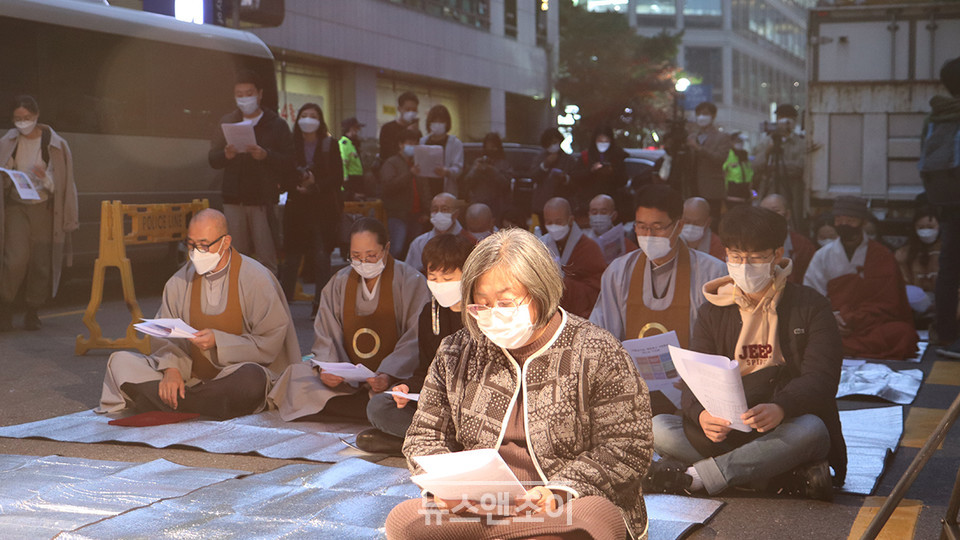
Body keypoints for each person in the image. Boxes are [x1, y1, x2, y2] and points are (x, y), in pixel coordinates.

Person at [385, 228, 652, 540]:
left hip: (562, 505)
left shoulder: (596, 350)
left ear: (541, 291)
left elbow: (628, 446)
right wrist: (442, 488)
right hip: (480, 506)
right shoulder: (456, 352)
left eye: (506, 301)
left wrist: (561, 489)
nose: (492, 314)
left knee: (593, 520)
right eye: (481, 303)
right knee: (402, 521)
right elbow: (423, 436)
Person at [646, 205, 846, 501]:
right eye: (736, 257)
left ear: (777, 256)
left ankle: (699, 477)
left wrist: (781, 407)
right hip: (725, 432)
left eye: (755, 258)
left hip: (783, 425)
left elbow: (822, 379)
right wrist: (701, 416)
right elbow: (693, 376)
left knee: (812, 430)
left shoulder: (810, 306)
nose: (744, 265)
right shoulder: (713, 310)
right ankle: (771, 475)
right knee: (657, 427)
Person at [97, 209, 298, 419]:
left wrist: (218, 342)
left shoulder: (256, 279)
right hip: (190, 378)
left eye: (204, 245)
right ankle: (198, 403)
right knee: (120, 362)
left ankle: (176, 403)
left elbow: (269, 344)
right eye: (191, 245)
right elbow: (166, 339)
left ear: (225, 242)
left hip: (234, 376)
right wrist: (172, 371)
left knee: (251, 380)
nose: (196, 253)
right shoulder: (178, 281)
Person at [268, 218, 430, 421]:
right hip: (348, 379)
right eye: (356, 256)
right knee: (294, 377)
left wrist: (388, 373)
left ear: (386, 248)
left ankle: (358, 409)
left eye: (371, 256)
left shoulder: (411, 281)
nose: (363, 263)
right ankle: (367, 410)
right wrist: (327, 369)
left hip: (394, 379)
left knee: (405, 393)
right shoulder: (339, 282)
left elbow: (416, 337)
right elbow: (326, 332)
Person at [356, 233, 473, 455]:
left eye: (447, 279)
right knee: (379, 406)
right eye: (433, 277)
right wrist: (407, 388)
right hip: (439, 406)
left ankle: (420, 443)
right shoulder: (430, 314)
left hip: (473, 406)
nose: (439, 285)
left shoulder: (481, 312)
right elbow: (425, 370)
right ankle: (443, 443)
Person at [591, 185, 727, 347]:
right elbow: (601, 335)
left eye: (658, 227)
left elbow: (720, 340)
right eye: (642, 227)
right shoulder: (619, 272)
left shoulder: (711, 273)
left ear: (679, 226)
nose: (649, 235)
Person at [804, 196, 918, 360]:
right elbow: (811, 296)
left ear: (863, 222)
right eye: (839, 220)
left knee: (904, 335)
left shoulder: (881, 255)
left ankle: (843, 348)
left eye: (850, 220)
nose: (844, 225)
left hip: (872, 325)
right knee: (811, 335)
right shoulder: (822, 256)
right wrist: (832, 318)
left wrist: (857, 319)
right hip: (834, 323)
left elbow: (890, 303)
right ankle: (841, 345)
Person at [0, 95, 78, 331]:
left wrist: (45, 179)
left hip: (44, 208)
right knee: (15, 260)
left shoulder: (55, 144)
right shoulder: (7, 142)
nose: (22, 122)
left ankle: (32, 310)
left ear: (36, 116)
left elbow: (65, 185)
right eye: (17, 118)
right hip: (16, 207)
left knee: (40, 263)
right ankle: (6, 307)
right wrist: (8, 173)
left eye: (27, 118)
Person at [208, 69, 293, 275]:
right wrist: (226, 155)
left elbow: (289, 162)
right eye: (240, 94)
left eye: (249, 93)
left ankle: (269, 297)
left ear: (260, 94)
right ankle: (240, 299)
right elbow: (213, 158)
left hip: (262, 199)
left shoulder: (276, 124)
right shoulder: (227, 121)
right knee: (237, 255)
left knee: (266, 255)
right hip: (233, 198)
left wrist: (267, 155)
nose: (245, 99)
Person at [280, 103, 343, 316]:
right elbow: (284, 174)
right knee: (292, 258)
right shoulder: (290, 144)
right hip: (296, 207)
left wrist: (316, 185)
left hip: (322, 208)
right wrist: (296, 185)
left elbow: (337, 177)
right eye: (304, 115)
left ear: (320, 119)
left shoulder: (329, 144)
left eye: (313, 115)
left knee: (321, 256)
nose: (308, 119)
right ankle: (282, 304)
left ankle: (321, 305)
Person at [918, 57, 960, 356]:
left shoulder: (935, 117)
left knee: (949, 269)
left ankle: (945, 334)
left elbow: (924, 156)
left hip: (948, 202)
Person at [541, 197, 607, 318]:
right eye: (549, 222)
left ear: (570, 220)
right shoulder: (541, 245)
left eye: (558, 221)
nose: (554, 226)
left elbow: (598, 289)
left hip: (580, 315)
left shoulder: (589, 248)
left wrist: (564, 284)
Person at [380, 128, 428, 260]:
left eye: (415, 143)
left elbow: (424, 189)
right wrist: (409, 174)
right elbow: (388, 187)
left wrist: (426, 211)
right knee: (397, 249)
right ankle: (390, 278)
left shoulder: (418, 163)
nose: (412, 146)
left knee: (414, 251)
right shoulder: (391, 163)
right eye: (409, 142)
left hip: (417, 215)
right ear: (401, 144)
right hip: (398, 215)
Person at [754, 104, 805, 228]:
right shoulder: (766, 141)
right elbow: (756, 165)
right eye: (781, 117)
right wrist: (768, 151)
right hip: (768, 187)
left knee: (792, 222)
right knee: (765, 221)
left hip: (792, 191)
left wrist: (774, 168)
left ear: (794, 121)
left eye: (789, 117)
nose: (784, 121)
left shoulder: (801, 142)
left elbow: (800, 167)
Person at [404, 192, 476, 273]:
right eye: (435, 209)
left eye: (445, 209)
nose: (439, 213)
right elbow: (409, 275)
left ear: (456, 214)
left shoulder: (470, 241)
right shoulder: (419, 243)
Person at [687, 102, 732, 226]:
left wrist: (698, 148)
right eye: (699, 114)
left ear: (713, 116)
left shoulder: (722, 137)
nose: (701, 117)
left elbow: (720, 159)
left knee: (712, 222)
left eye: (705, 114)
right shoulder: (692, 136)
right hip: (692, 185)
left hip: (712, 189)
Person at [760, 194, 816, 284]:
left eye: (775, 210)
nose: (769, 216)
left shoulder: (802, 245)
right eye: (765, 211)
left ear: (787, 214)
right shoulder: (749, 244)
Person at [895, 207, 941, 317]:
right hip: (915, 307)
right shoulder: (904, 254)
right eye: (921, 227)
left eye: (930, 227)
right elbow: (902, 283)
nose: (926, 231)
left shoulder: (952, 251)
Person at [570, 125, 627, 210]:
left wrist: (612, 172)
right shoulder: (586, 156)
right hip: (588, 203)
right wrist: (591, 170)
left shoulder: (618, 156)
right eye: (600, 140)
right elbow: (575, 176)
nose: (603, 143)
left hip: (612, 202)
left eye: (606, 141)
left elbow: (623, 180)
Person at [461, 132, 513, 218]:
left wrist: (492, 170)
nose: (491, 149)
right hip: (478, 203)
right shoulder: (478, 162)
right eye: (488, 146)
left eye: (493, 146)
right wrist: (475, 169)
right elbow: (467, 182)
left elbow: (506, 183)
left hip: (497, 205)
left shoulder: (503, 164)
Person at [529, 127, 573, 225]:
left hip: (561, 200)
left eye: (555, 141)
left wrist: (564, 178)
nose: (553, 145)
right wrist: (545, 164)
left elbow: (574, 180)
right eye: (551, 142)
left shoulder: (568, 159)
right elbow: (533, 176)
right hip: (542, 203)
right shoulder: (540, 157)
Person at [419, 104, 463, 196]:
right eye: (434, 121)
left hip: (446, 189)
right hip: (426, 190)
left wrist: (447, 171)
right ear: (429, 123)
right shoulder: (423, 141)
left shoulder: (455, 143)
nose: (437, 124)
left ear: (447, 123)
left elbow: (458, 168)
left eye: (441, 121)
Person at [584, 193, 637, 264]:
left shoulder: (625, 240)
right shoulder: (583, 240)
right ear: (589, 215)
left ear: (614, 215)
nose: (598, 216)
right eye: (594, 212)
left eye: (603, 212)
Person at [379, 91, 419, 162]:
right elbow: (386, 153)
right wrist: (406, 133)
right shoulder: (388, 128)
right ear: (399, 109)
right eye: (407, 109)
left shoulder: (417, 132)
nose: (411, 113)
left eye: (414, 110)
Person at [723, 132, 753, 207]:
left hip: (745, 189)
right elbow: (723, 170)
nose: (740, 143)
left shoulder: (744, 155)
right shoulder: (728, 154)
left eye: (741, 141)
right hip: (733, 188)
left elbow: (749, 172)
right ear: (732, 142)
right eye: (737, 141)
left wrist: (750, 188)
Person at [339, 116, 365, 197]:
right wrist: (345, 182)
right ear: (350, 129)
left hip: (357, 180)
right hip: (351, 180)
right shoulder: (345, 144)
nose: (358, 131)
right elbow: (343, 163)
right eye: (356, 128)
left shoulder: (352, 144)